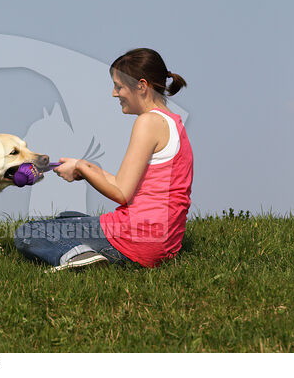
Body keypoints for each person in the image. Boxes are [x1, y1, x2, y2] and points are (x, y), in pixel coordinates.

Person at [14, 48, 193, 271]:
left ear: (142, 86)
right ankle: (85, 251)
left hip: (138, 240)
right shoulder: (173, 123)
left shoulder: (148, 122)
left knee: (29, 232)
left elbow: (121, 192)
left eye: (119, 86)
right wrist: (83, 168)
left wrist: (82, 166)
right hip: (163, 242)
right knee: (67, 218)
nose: (114, 93)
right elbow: (130, 184)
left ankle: (78, 256)